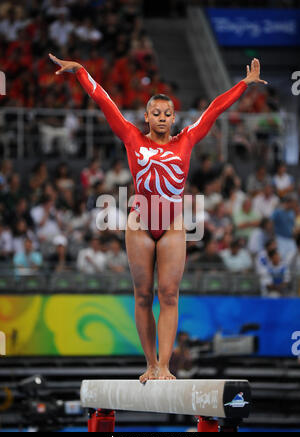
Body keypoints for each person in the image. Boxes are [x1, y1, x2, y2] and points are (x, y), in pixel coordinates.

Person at [49, 53, 267, 382]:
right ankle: (150, 363)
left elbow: (214, 109)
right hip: (139, 223)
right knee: (142, 295)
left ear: (174, 118)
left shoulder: (187, 140)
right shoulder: (132, 137)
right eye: (156, 112)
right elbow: (103, 100)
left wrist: (243, 85)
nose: (162, 117)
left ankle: (165, 365)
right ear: (147, 117)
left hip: (172, 227)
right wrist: (80, 72)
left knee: (169, 294)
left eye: (167, 113)